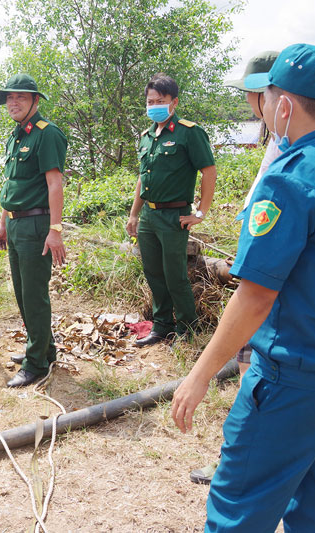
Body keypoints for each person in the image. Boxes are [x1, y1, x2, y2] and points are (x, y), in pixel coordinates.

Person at [171, 43, 315, 531]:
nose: (262, 107)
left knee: (237, 507)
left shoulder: (290, 180)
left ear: (282, 105)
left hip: (295, 376)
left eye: (265, 97)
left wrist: (199, 375)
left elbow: (256, 294)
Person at [189, 50, 280, 485]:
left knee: (251, 378)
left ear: (269, 96)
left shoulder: (289, 154)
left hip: (267, 295)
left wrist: (199, 375)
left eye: (250, 94)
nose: (247, 102)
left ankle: (236, 459)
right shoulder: (283, 142)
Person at [126, 74, 217, 346]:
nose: (154, 105)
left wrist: (201, 212)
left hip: (175, 215)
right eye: (150, 101)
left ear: (173, 102)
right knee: (153, 272)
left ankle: (188, 328)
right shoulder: (145, 137)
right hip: (149, 216)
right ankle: (162, 325)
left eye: (160, 101)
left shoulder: (189, 132)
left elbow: (209, 171)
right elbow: (143, 177)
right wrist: (134, 214)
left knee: (175, 275)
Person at [0, 74, 67, 388]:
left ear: (36, 101)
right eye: (9, 98)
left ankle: (36, 364)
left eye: (20, 97)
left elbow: (54, 184)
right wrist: (1, 223)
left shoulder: (46, 134)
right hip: (15, 222)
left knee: (35, 294)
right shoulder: (16, 136)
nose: (13, 102)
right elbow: (12, 184)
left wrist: (55, 229)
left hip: (37, 224)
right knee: (23, 293)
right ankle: (44, 349)